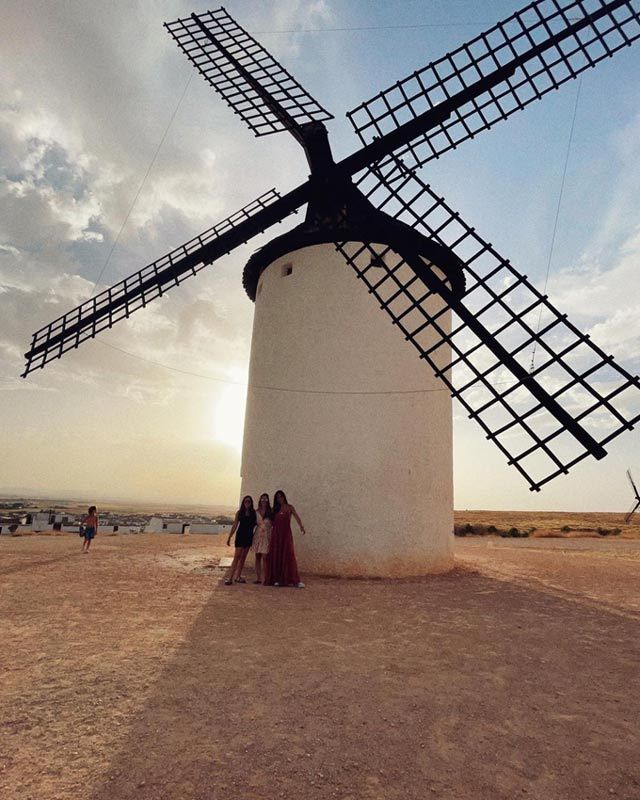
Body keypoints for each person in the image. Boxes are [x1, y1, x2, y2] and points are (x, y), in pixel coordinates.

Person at [264, 489, 306, 588]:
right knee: (277, 555)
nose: (279, 499)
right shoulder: (275, 509)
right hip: (276, 535)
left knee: (288, 554)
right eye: (277, 497)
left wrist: (301, 527)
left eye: (281, 496)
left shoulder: (289, 507)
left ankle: (295, 580)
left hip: (286, 534)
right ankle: (277, 579)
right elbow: (268, 521)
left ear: (284, 497)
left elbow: (296, 517)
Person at [224, 496, 256, 585]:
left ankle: (238, 576)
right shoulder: (239, 513)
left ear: (251, 503)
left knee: (243, 558)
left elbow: (257, 525)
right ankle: (230, 578)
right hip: (240, 536)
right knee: (236, 557)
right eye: (245, 501)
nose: (247, 503)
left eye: (249, 502)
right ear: (243, 502)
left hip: (249, 537)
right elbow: (235, 525)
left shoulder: (253, 513)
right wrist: (229, 537)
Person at [251, 493, 273, 584]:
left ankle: (266, 578)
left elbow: (274, 524)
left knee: (265, 557)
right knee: (257, 557)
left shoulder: (271, 512)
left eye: (266, 499)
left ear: (268, 500)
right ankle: (258, 578)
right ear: (260, 500)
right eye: (262, 498)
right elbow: (252, 524)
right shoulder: (256, 511)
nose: (264, 500)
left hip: (267, 536)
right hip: (258, 535)